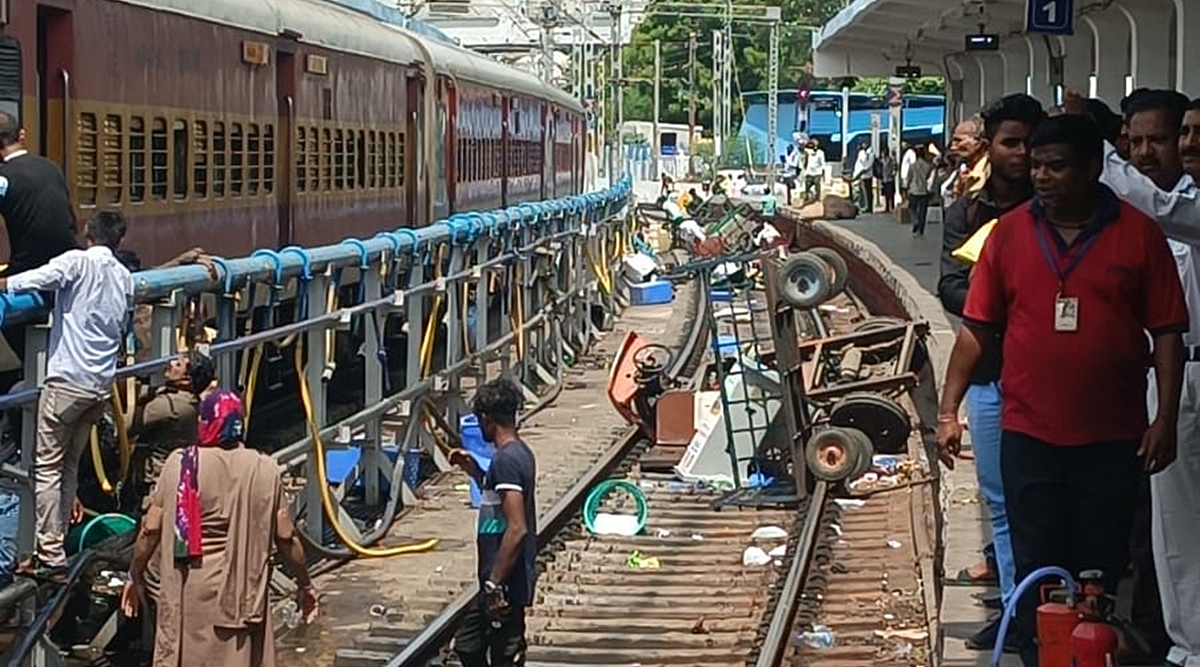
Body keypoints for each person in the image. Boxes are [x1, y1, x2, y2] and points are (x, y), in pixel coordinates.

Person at [937, 114, 1188, 667]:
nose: (1043, 178)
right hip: (1029, 435)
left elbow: (1168, 333)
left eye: (1057, 167)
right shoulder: (1008, 236)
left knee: (1097, 569)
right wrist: (948, 410)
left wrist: (1164, 418)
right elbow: (977, 329)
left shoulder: (1138, 234)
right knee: (1037, 569)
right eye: (1037, 168)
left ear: (1094, 168)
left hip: (1111, 436)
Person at [1068, 88, 1200, 667]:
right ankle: (1187, 644)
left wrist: (1091, 144)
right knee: (1171, 526)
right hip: (1175, 375)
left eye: (1170, 138)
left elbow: (1157, 207)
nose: (1181, 147)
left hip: (1189, 374)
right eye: (1187, 133)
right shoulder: (1159, 206)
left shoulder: (1174, 208)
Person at [936, 93, 1045, 654]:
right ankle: (1017, 609)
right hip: (991, 374)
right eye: (1010, 143)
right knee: (1000, 500)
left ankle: (1048, 604)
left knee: (1045, 497)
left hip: (1049, 377)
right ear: (990, 148)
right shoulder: (966, 213)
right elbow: (948, 287)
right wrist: (1001, 294)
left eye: (1030, 143)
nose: (1022, 155)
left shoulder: (1058, 210)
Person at [121, 389, 318, 667]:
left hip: (190, 590)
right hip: (243, 593)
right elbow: (286, 537)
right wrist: (305, 584)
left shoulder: (182, 465)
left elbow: (150, 530)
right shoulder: (265, 468)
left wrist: (135, 574)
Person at [1, 210, 133, 577]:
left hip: (66, 383)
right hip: (98, 388)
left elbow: (38, 279)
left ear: (88, 233)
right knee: (69, 467)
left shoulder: (76, 262)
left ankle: (49, 554)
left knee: (45, 469)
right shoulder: (124, 277)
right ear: (118, 240)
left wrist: (5, 285)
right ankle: (55, 546)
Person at [449, 377, 538, 667]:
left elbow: (517, 527)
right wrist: (475, 472)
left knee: (502, 654)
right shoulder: (517, 454)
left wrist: (494, 585)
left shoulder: (506, 461)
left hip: (504, 582)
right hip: (499, 578)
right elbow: (498, 500)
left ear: (487, 419)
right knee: (467, 645)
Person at [0, 112, 82, 395]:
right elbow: (70, 220)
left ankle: (38, 375)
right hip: (68, 269)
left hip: (28, 271)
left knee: (10, 316)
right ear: (21, 135)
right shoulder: (51, 168)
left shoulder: (3, 178)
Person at [905, 147, 934, 237]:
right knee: (923, 211)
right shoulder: (928, 166)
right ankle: (921, 230)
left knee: (912, 208)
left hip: (914, 190)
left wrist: (907, 187)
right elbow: (928, 177)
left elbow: (909, 178)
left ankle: (915, 220)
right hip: (924, 191)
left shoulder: (912, 166)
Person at [852, 142, 874, 212]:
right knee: (863, 193)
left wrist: (862, 171)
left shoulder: (871, 154)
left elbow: (868, 165)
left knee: (868, 192)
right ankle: (864, 206)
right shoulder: (861, 153)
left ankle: (869, 207)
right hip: (861, 176)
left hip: (867, 176)